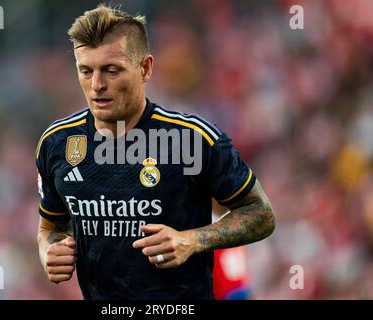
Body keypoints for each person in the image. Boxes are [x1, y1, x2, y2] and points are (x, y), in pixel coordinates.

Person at [36, 4, 275, 300]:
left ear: (145, 68)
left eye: (112, 70)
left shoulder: (192, 139)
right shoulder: (56, 144)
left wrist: (192, 240)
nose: (97, 85)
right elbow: (51, 226)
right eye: (86, 70)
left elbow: (261, 214)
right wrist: (50, 250)